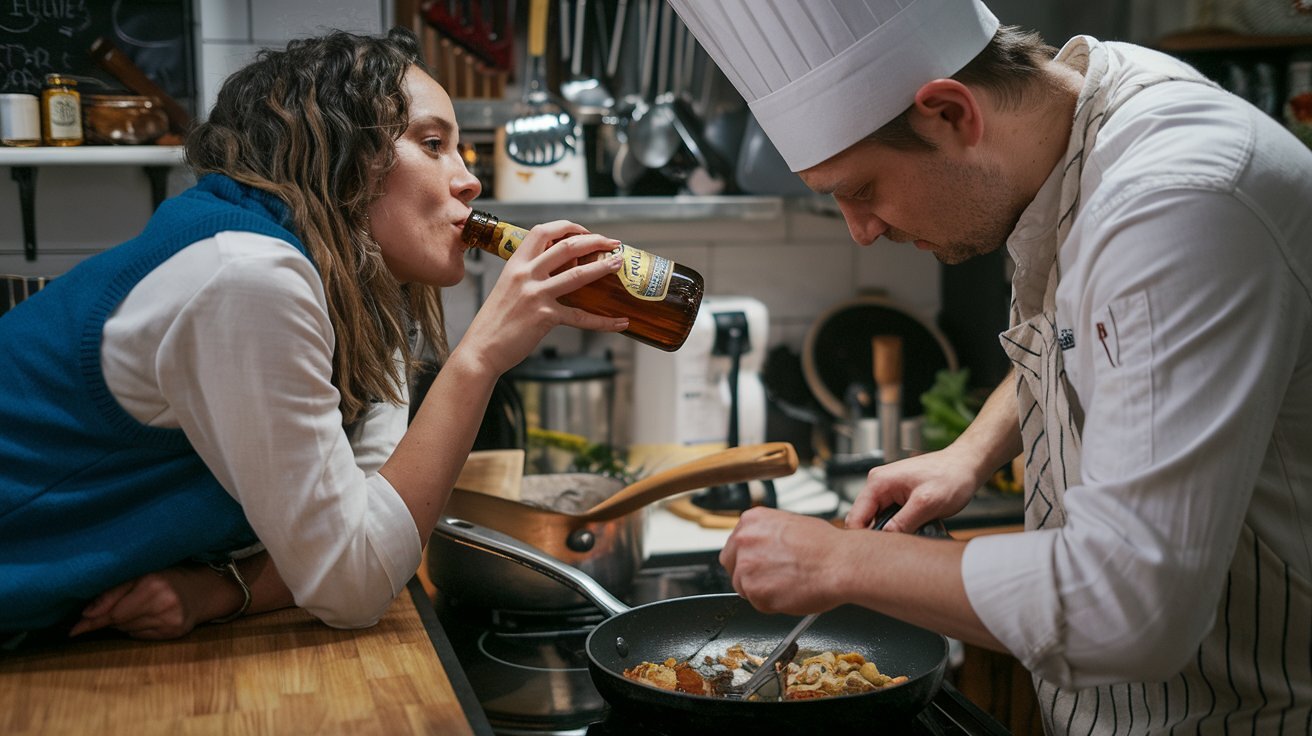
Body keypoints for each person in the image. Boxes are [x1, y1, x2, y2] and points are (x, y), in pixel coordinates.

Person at [669, 0, 1311, 732]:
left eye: (860, 189)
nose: (861, 231)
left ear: (950, 113)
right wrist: (970, 452)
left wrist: (837, 563)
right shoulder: (1081, 120)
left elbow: (1132, 607)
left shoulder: (1178, 203)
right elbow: (1089, 332)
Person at [0, 28, 630, 647]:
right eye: (433, 144)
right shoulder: (247, 275)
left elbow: (367, 528)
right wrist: (480, 357)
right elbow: (355, 584)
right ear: (341, 153)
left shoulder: (358, 292)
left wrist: (222, 589)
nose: (469, 181)